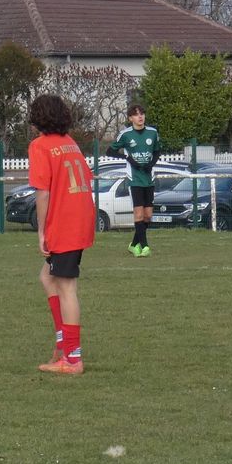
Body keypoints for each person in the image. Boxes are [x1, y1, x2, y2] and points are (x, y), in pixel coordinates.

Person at [28, 93, 95, 373]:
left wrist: (42, 231)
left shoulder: (40, 146)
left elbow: (43, 193)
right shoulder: (70, 143)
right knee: (47, 277)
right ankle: (62, 344)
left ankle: (73, 359)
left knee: (67, 288)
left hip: (65, 223)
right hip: (80, 219)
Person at [106, 104, 161, 256]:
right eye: (136, 114)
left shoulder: (153, 133)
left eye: (142, 113)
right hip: (134, 179)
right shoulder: (125, 135)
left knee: (148, 216)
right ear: (130, 118)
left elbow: (157, 151)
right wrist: (128, 157)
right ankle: (145, 247)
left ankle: (134, 244)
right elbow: (110, 151)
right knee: (138, 214)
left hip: (149, 178)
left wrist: (151, 164)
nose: (140, 116)